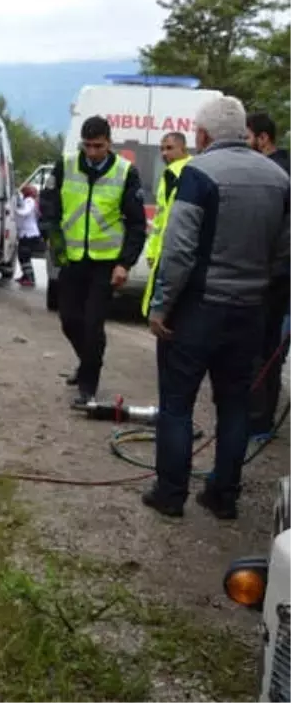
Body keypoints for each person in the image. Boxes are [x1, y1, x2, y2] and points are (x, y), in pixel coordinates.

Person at [144, 96, 291, 519]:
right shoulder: (279, 178)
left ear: (204, 135)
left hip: (197, 311)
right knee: (234, 405)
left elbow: (179, 250)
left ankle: (171, 494)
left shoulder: (198, 173)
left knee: (176, 404)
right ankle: (224, 495)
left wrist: (161, 308)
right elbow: (284, 249)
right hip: (249, 311)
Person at [39, 115, 147, 406]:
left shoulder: (125, 172)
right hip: (72, 259)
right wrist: (53, 238)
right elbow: (49, 207)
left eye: (98, 146)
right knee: (68, 320)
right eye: (87, 146)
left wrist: (125, 263)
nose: (92, 152)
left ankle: (88, 384)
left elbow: (137, 224)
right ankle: (86, 361)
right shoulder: (67, 165)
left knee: (93, 324)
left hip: (105, 262)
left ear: (109, 143)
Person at [246, 112, 291, 438]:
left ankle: (260, 421)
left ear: (262, 138)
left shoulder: (278, 174)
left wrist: (269, 270)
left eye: (246, 138)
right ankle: (255, 416)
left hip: (274, 277)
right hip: (269, 274)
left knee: (264, 348)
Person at [141, 132, 192, 317]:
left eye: (169, 148)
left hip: (176, 251)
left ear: (183, 149)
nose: (164, 153)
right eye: (162, 148)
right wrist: (152, 251)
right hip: (165, 251)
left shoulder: (185, 173)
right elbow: (160, 219)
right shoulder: (168, 175)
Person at [14, 184, 42, 287]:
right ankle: (25, 276)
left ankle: (30, 278)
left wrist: (15, 210)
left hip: (28, 234)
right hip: (28, 233)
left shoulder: (29, 201)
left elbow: (24, 212)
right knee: (23, 256)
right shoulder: (31, 201)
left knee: (24, 256)